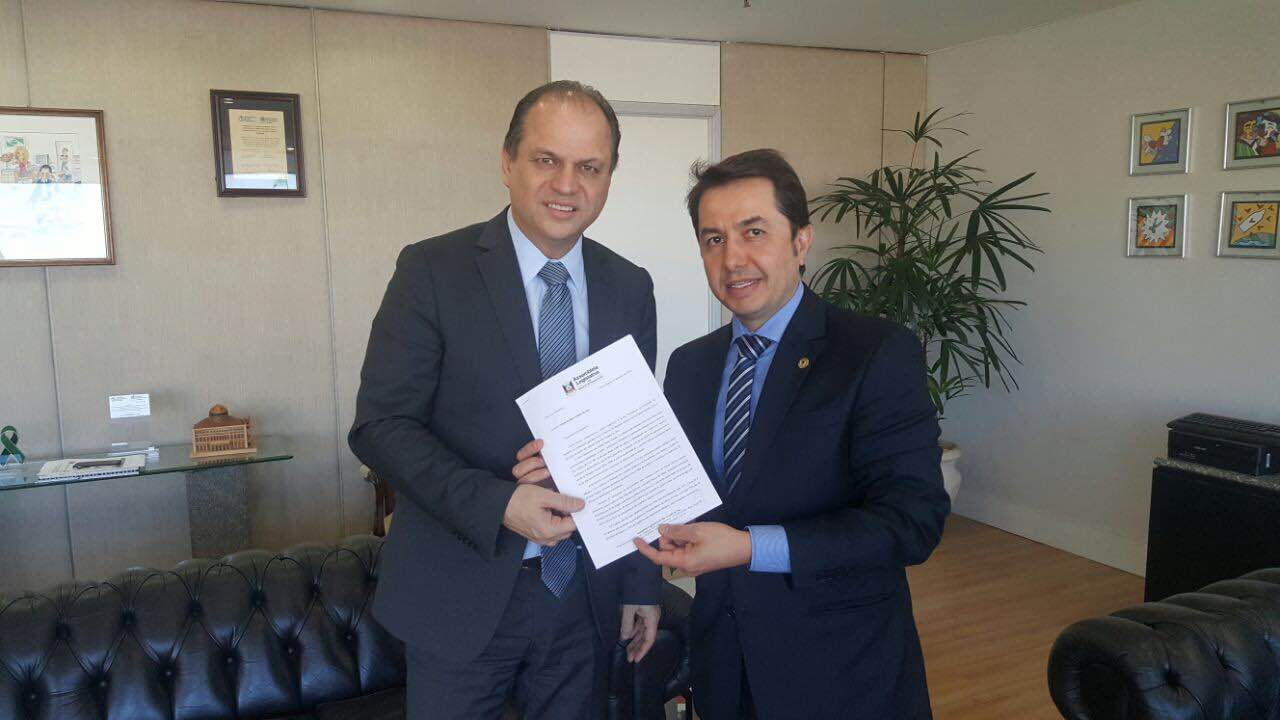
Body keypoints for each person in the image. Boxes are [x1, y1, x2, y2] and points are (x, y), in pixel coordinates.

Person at [350, 80, 661, 720]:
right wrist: (500, 504)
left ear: (609, 178)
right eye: (547, 160)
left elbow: (632, 445)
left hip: (582, 598)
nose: (566, 185)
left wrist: (641, 581)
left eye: (589, 167)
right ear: (507, 162)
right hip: (459, 593)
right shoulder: (432, 271)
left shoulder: (630, 287)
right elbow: (381, 426)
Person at [634, 149, 950, 719]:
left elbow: (912, 522)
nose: (733, 258)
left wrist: (750, 547)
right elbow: (671, 489)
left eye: (754, 231)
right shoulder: (690, 365)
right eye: (713, 239)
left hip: (840, 670)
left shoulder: (875, 353)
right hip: (725, 663)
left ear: (801, 241)